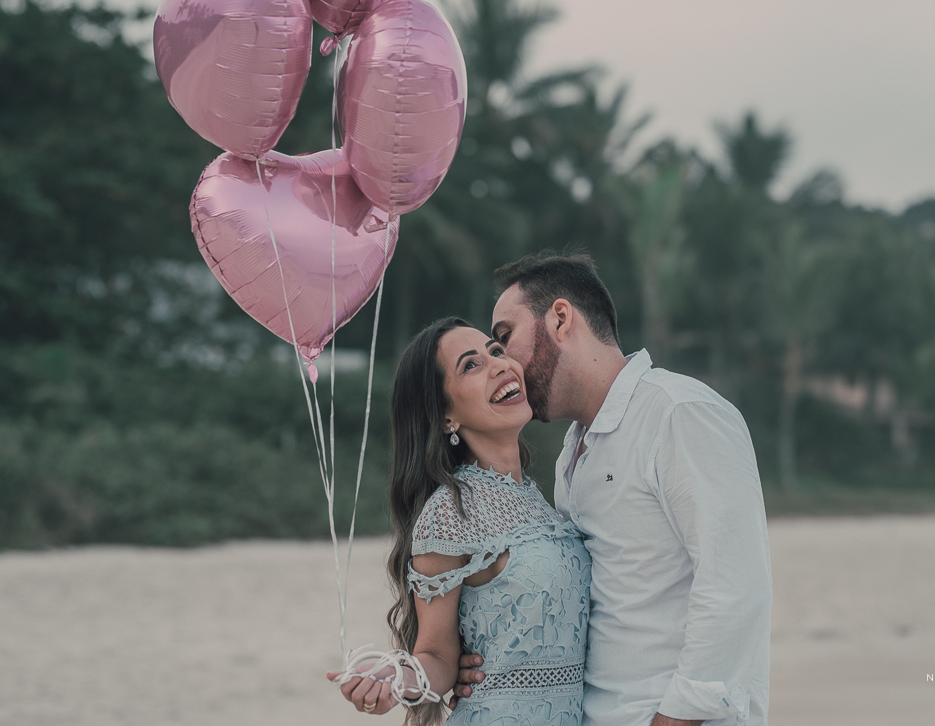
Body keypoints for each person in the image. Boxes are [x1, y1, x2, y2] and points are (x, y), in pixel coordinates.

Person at [453, 251, 772, 726]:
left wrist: (673, 718)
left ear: (560, 318)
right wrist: (487, 661)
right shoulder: (572, 452)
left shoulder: (678, 412)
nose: (505, 363)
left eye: (504, 339)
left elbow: (734, 590)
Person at [328, 317, 592, 725]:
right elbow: (436, 655)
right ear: (446, 416)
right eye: (471, 365)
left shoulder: (542, 496)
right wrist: (398, 679)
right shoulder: (451, 511)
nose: (499, 365)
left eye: (496, 351)